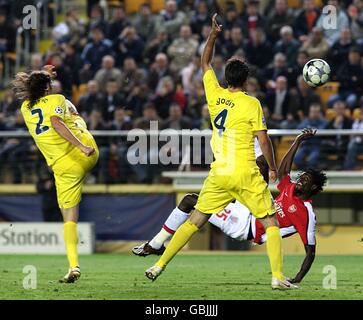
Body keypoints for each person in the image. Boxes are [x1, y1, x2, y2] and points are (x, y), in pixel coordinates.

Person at [145, 14, 296, 289]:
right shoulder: (252, 104)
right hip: (245, 172)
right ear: (247, 80)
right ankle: (277, 277)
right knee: (271, 222)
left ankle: (158, 264)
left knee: (195, 221)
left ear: (226, 78)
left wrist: (213, 35)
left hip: (219, 173)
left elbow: (204, 62)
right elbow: (263, 141)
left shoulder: (214, 94)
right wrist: (272, 168)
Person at [134, 129, 326, 284]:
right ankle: (157, 245)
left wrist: (298, 278)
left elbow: (310, 251)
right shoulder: (290, 188)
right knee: (190, 199)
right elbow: (283, 170)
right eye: (301, 176)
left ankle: (156, 245)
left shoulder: (306, 213)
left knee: (191, 201)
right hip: (247, 210)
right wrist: (298, 140)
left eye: (306, 180)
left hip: (244, 226)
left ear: (314, 187)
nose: (300, 180)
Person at [12, 65, 99, 283]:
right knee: (70, 112)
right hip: (86, 150)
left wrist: (44, 76)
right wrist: (81, 146)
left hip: (63, 167)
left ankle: (74, 266)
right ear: (48, 88)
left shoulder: (24, 108)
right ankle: (73, 268)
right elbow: (56, 122)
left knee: (69, 218)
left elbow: (41, 98)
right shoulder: (58, 98)